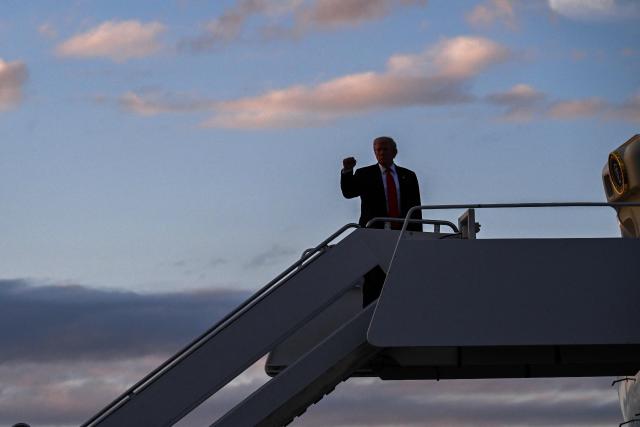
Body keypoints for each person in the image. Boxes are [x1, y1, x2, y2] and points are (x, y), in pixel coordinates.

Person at [341, 136, 422, 232]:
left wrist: (418, 232)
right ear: (375, 153)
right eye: (378, 150)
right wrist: (347, 171)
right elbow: (349, 192)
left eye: (385, 149)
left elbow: (416, 207)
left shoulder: (408, 175)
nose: (382, 153)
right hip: (373, 231)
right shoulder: (365, 174)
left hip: (404, 231)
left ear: (394, 152)